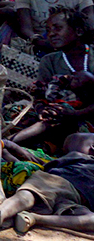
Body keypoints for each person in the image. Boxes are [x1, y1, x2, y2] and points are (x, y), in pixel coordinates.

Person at [0, 135, 94, 237]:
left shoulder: (79, 157)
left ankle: (33, 218)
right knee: (26, 196)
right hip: (59, 182)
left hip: (73, 199)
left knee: (27, 196)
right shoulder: (81, 157)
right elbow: (46, 166)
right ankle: (0, 214)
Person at [12, 9, 94, 150]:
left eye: (58, 28)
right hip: (58, 117)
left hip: (87, 117)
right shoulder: (49, 60)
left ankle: (7, 143)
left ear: (79, 31)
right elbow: (39, 95)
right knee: (19, 111)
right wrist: (43, 111)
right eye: (48, 30)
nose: (51, 34)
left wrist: (75, 114)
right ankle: (8, 143)